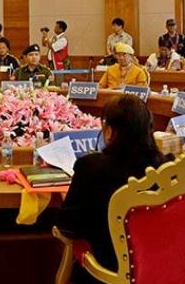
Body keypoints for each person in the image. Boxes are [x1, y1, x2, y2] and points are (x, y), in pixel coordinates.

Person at [58, 95, 169, 284]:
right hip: (158, 270)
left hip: (106, 273)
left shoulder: (91, 167)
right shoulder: (167, 168)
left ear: (109, 131)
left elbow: (68, 228)